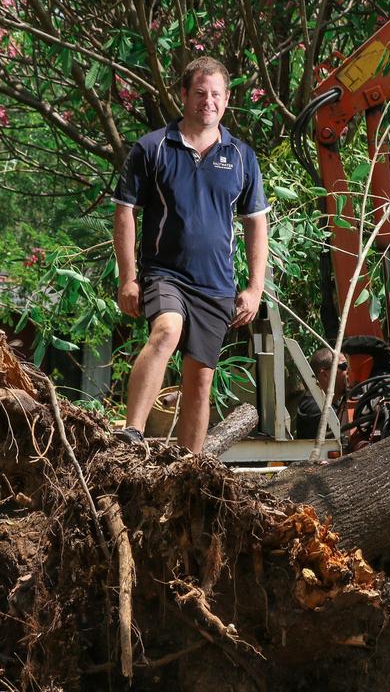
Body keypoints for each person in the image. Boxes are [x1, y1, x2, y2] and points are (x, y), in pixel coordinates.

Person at [111, 56, 270, 453]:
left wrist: (254, 287)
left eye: (216, 94)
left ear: (227, 99)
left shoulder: (241, 157)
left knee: (200, 378)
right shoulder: (153, 148)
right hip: (165, 273)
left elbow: (256, 223)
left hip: (216, 284)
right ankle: (132, 432)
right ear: (184, 95)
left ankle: (188, 467)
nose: (208, 102)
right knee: (166, 330)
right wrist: (128, 278)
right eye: (200, 93)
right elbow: (125, 212)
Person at [295, 347, 348, 440]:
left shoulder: (331, 404)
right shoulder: (313, 407)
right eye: (344, 366)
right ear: (324, 375)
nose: (348, 371)